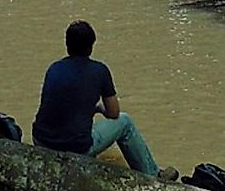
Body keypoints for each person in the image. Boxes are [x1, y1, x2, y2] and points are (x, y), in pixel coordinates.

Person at [32, 20, 177, 180]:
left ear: (67, 45)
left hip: (41, 140)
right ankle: (153, 174)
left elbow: (58, 105)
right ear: (91, 46)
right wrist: (99, 108)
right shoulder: (99, 71)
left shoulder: (54, 68)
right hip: (75, 147)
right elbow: (114, 113)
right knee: (125, 122)